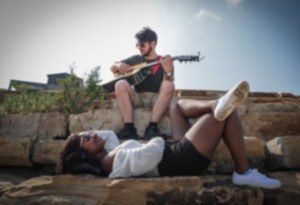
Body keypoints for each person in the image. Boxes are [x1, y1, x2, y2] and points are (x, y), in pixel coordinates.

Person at [56, 81, 281, 189]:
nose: (92, 134)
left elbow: (107, 137)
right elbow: (152, 154)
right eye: (86, 139)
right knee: (228, 115)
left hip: (174, 153)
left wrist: (90, 139)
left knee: (175, 106)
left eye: (87, 133)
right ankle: (243, 172)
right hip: (181, 160)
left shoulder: (108, 154)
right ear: (84, 157)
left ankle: (215, 104)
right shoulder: (109, 161)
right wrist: (155, 140)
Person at [110, 27, 175, 140]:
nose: (140, 48)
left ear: (152, 44)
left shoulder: (164, 61)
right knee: (120, 84)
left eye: (142, 45)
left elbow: (167, 85)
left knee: (169, 85)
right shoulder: (136, 59)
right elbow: (112, 66)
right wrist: (117, 67)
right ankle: (129, 129)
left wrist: (168, 72)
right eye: (138, 45)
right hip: (138, 97)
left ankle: (152, 129)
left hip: (156, 98)